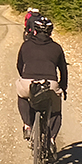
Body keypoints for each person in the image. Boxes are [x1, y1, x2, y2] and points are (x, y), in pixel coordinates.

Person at [15, 15, 68, 154]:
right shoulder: (56, 48)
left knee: (22, 95)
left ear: (35, 30)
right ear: (50, 32)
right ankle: (51, 139)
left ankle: (27, 125)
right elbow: (63, 70)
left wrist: (25, 77)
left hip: (28, 81)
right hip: (50, 83)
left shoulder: (26, 45)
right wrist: (63, 87)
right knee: (56, 111)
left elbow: (19, 65)